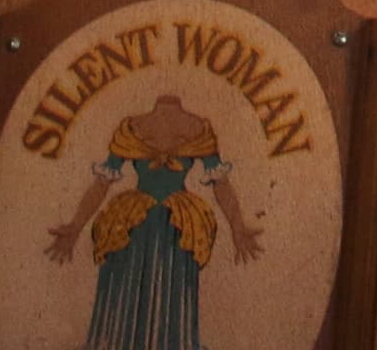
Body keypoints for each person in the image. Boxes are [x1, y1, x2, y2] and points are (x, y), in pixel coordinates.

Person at [42, 92, 256, 350]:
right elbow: (221, 184)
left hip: (156, 222)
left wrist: (238, 227)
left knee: (163, 290)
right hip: (158, 222)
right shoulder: (192, 127)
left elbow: (102, 183)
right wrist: (75, 227)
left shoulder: (139, 127)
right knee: (143, 290)